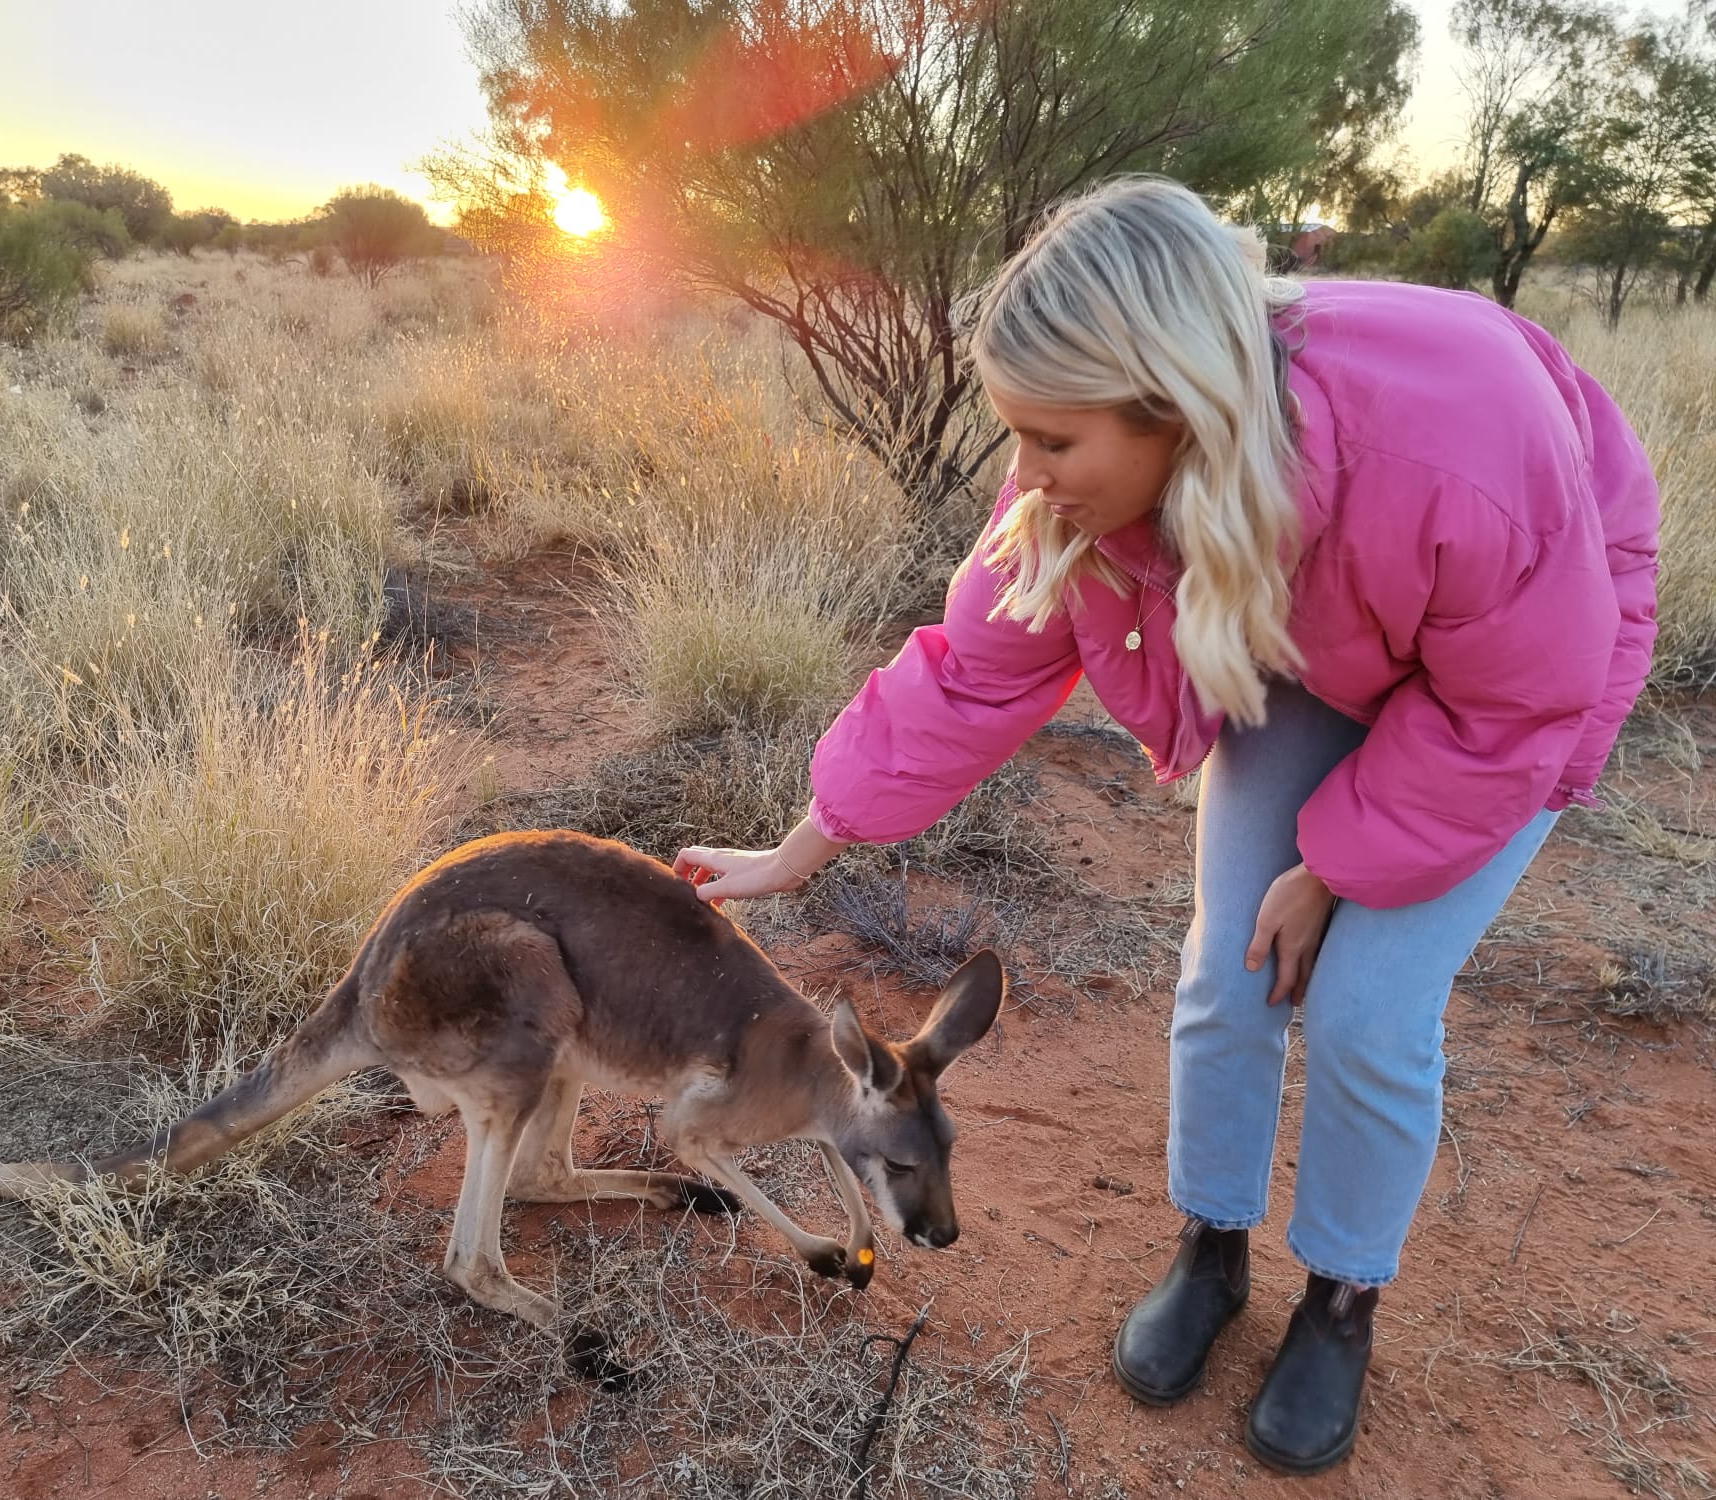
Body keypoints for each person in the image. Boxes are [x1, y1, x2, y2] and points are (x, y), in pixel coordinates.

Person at [672, 174, 1660, 1476]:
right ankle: (1212, 1249)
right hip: (1310, 632)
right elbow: (973, 668)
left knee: (1368, 1007)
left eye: (1051, 441)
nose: (1021, 476)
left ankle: (1342, 1299)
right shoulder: (1080, 491)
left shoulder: (1455, 443)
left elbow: (1518, 703)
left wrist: (1331, 862)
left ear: (1175, 406)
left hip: (1503, 694)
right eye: (1013, 434)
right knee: (1225, 972)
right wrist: (805, 841)